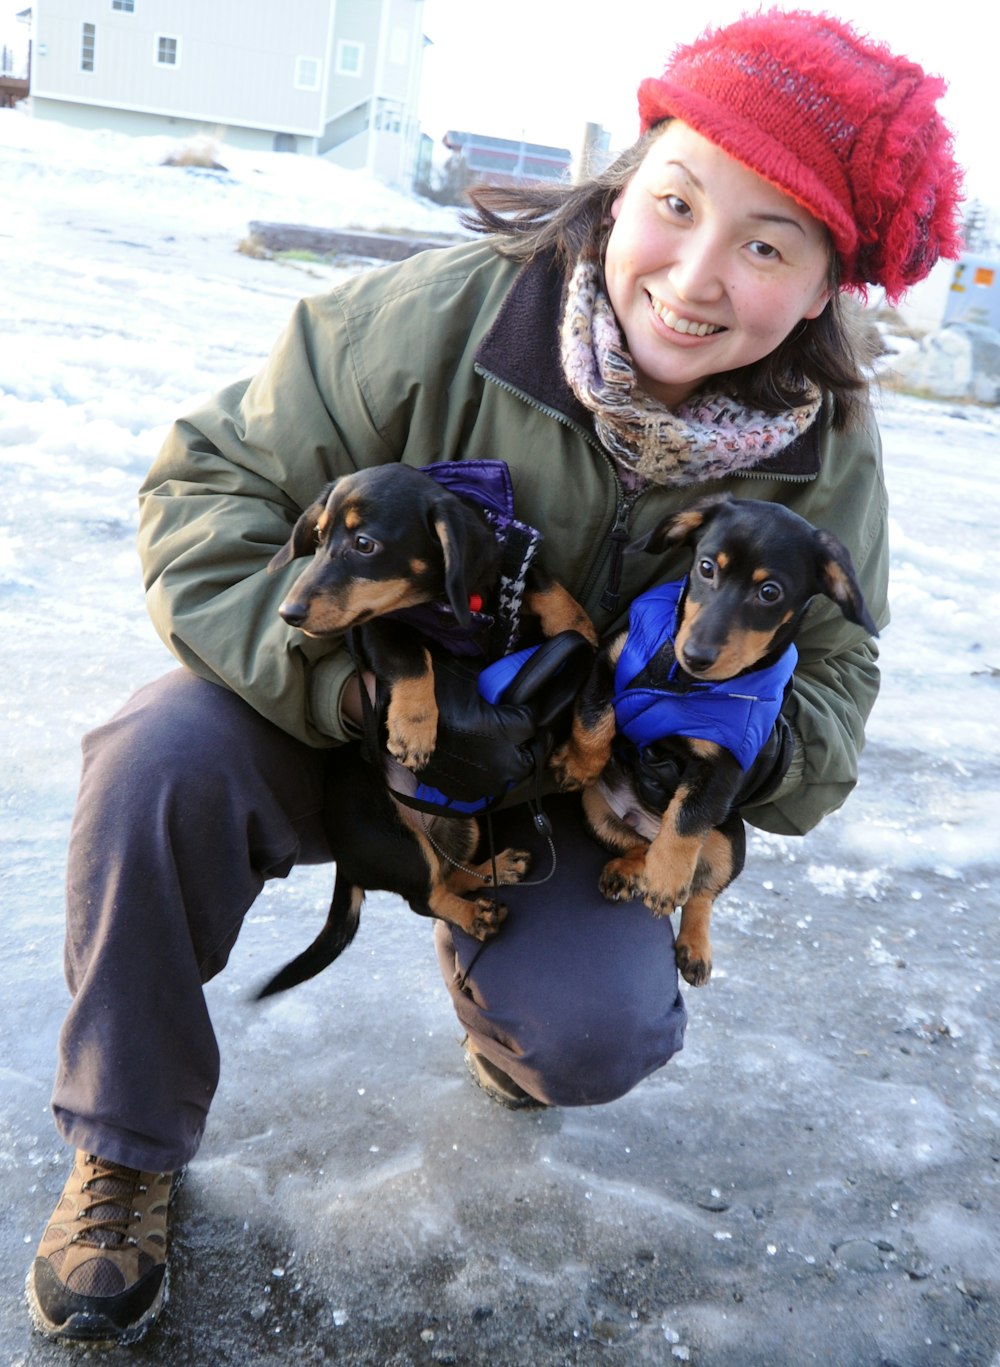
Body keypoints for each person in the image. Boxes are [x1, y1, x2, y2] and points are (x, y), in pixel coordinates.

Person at [26, 8, 963, 1347]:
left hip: (562, 802)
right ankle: (123, 1150)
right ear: (623, 181)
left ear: (824, 288)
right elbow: (206, 489)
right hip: (340, 733)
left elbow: (837, 671)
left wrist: (734, 766)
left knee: (594, 1031)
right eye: (677, 204)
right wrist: (352, 697)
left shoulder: (825, 453)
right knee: (156, 755)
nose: (697, 277)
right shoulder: (438, 316)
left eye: (767, 245)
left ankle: (507, 1004)